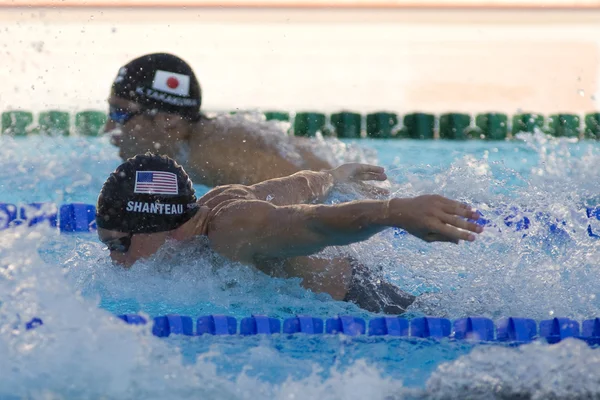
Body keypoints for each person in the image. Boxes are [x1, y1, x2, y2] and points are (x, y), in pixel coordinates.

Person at [96, 153, 483, 314]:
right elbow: (297, 186)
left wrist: (394, 211)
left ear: (166, 228)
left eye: (119, 244)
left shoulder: (232, 228)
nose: (114, 258)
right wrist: (334, 176)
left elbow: (312, 222)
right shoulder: (217, 200)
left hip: (369, 307)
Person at [104, 52, 340, 187]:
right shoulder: (184, 150)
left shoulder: (219, 153)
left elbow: (314, 200)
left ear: (168, 118)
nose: (109, 129)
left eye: (120, 114)